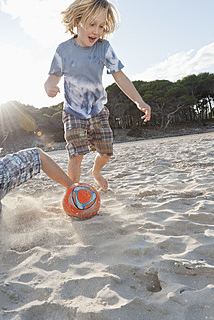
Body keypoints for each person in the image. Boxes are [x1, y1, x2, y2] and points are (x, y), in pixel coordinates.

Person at [44, 0, 151, 192]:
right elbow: (51, 79)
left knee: (106, 152)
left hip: (98, 110)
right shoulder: (63, 50)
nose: (97, 31)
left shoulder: (104, 48)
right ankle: (73, 191)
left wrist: (139, 101)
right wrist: (50, 88)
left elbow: (120, 76)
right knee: (76, 155)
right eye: (92, 24)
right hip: (73, 111)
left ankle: (96, 172)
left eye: (101, 26)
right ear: (77, 22)